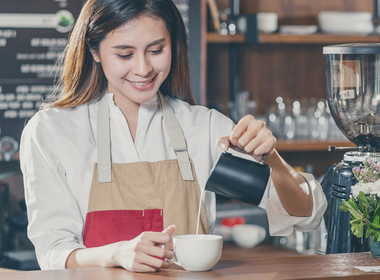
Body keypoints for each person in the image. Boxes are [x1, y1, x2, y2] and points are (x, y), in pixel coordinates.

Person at [20, 0, 326, 272]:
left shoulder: (203, 129)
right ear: (94, 51)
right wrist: (116, 253)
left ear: (173, 44)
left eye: (156, 50)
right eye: (124, 54)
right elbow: (54, 253)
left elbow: (304, 215)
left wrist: (271, 159)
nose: (143, 69)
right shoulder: (52, 131)